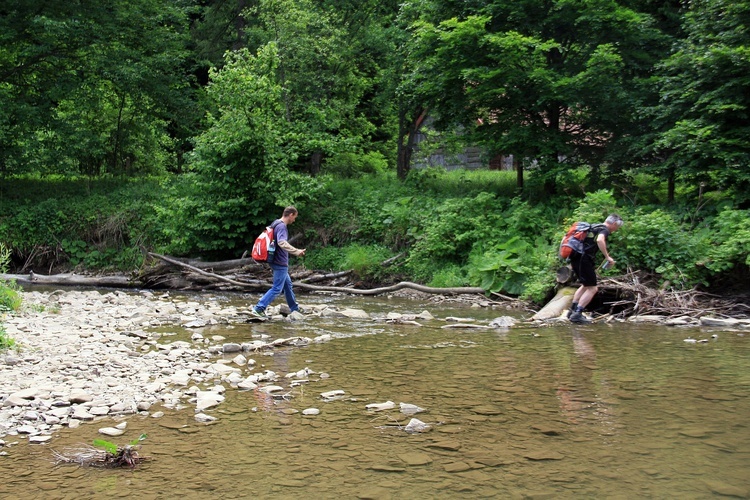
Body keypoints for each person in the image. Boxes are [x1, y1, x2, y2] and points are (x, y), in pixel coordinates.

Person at [251, 206, 306, 319]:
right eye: (294, 217)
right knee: (277, 288)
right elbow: (282, 242)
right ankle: (259, 308)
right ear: (290, 215)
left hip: (275, 260)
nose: (294, 220)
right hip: (280, 262)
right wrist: (296, 251)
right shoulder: (281, 226)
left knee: (288, 286)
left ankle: (294, 308)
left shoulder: (275, 223)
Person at [568, 214, 623, 324]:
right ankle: (577, 314)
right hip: (584, 260)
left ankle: (572, 311)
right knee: (593, 288)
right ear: (614, 224)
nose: (616, 230)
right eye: (617, 227)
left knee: (585, 285)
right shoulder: (604, 229)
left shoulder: (593, 227)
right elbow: (600, 240)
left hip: (575, 258)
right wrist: (607, 257)